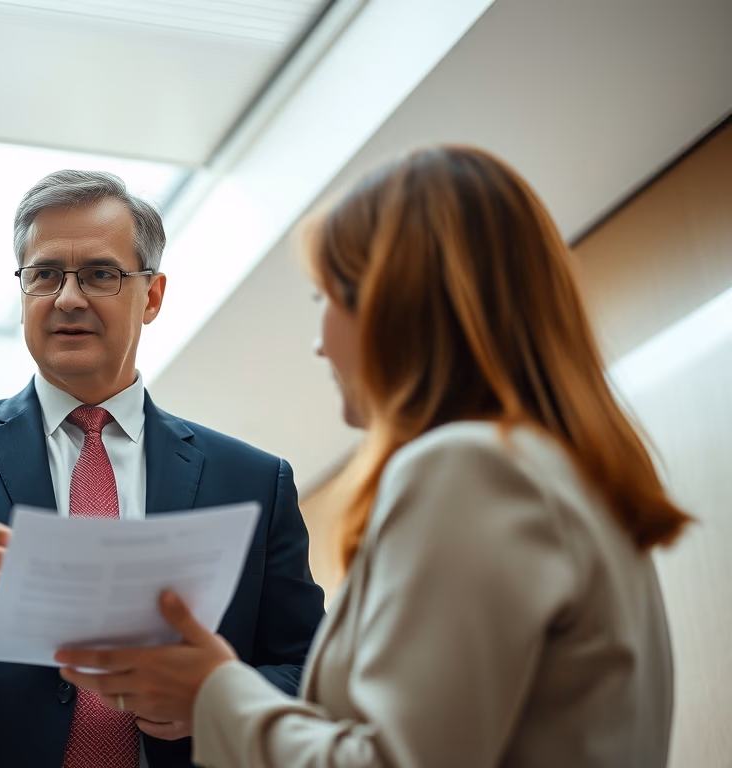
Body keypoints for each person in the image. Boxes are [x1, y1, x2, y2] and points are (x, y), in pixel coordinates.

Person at [56, 146, 692, 768]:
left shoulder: (470, 470)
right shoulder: (570, 479)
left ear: (396, 307)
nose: (320, 343)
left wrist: (214, 691)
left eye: (325, 299)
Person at [0, 170, 326, 768]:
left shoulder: (254, 482)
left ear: (151, 296)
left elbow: (317, 675)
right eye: (44, 274)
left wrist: (219, 701)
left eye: (101, 274)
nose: (68, 298)